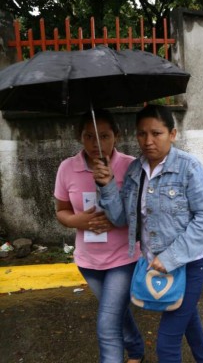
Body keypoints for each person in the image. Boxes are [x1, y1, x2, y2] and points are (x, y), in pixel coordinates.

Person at [93, 105, 203, 363]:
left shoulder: (189, 167)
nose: (148, 141)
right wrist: (105, 186)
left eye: (156, 133)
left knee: (167, 345)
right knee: (188, 318)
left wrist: (171, 257)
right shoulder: (134, 171)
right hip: (153, 262)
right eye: (141, 134)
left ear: (172, 134)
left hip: (189, 264)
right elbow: (120, 219)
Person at [54, 109, 144, 363]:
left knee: (107, 324)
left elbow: (137, 214)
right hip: (88, 261)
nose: (97, 144)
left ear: (116, 135)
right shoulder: (67, 168)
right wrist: (77, 221)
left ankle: (128, 352)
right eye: (89, 136)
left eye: (104, 136)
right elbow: (61, 211)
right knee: (116, 313)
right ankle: (136, 348)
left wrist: (109, 185)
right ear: (80, 138)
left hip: (123, 259)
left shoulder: (129, 166)